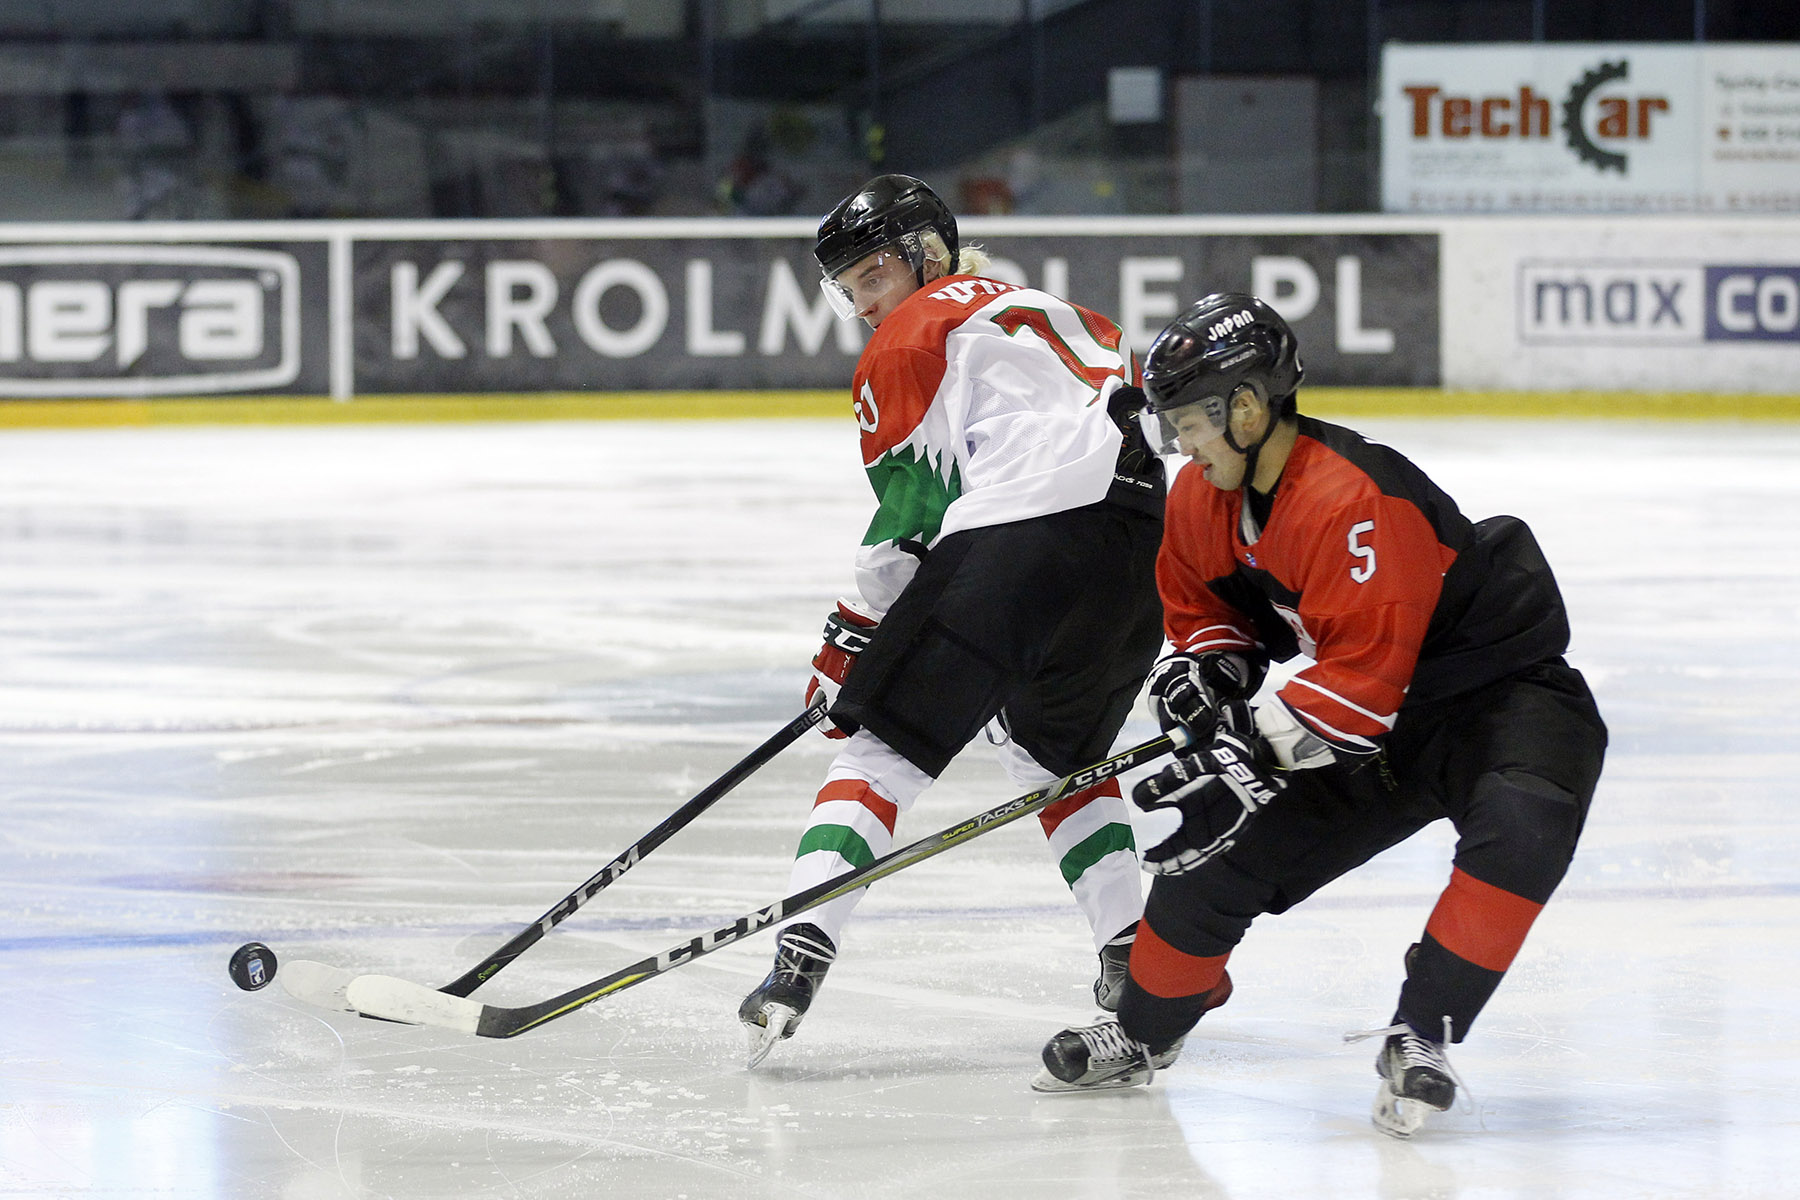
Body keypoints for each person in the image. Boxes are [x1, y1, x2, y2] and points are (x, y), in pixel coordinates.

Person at [1032, 293, 1607, 1139]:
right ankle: (1147, 1029)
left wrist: (1247, 752)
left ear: (1247, 409)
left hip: (1504, 703)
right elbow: (1209, 612)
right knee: (1217, 851)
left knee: (1523, 834)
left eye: (1189, 423)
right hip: (1370, 716)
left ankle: (1424, 1033)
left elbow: (1362, 690)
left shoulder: (1352, 498)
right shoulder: (1202, 496)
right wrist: (1210, 668)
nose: (1180, 446)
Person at [738, 174, 1169, 1066]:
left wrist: (850, 639)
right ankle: (1131, 956)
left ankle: (799, 956)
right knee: (1057, 760)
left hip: (1022, 539)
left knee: (878, 751)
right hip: (1141, 553)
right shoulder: (1072, 315)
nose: (864, 304)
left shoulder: (909, 337)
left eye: (872, 276)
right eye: (848, 288)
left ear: (928, 254)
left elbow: (913, 517)